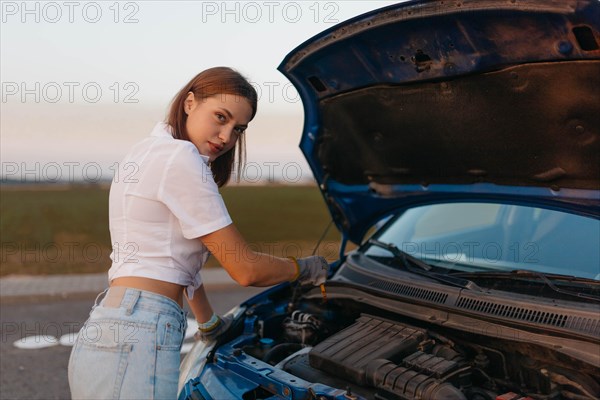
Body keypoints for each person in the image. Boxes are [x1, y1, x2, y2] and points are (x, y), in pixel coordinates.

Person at [67, 67, 328, 400]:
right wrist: (307, 268)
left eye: (238, 129)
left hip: (111, 326)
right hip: (139, 333)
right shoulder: (180, 158)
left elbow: (173, 260)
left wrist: (207, 322)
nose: (226, 137)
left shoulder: (146, 151)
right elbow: (245, 269)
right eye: (220, 117)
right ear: (190, 103)